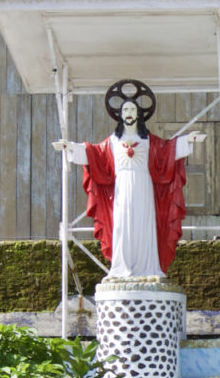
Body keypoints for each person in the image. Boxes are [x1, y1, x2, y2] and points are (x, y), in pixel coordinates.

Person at [53, 79, 205, 279]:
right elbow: (94, 153)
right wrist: (71, 147)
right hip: (122, 188)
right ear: (120, 115)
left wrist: (188, 140)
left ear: (139, 114)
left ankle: (149, 268)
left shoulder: (149, 140)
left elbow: (167, 150)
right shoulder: (113, 142)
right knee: (121, 225)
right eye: (125, 110)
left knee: (144, 225)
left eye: (132, 109)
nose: (129, 113)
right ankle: (120, 268)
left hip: (144, 186)